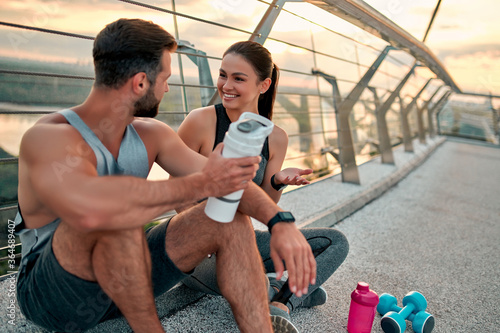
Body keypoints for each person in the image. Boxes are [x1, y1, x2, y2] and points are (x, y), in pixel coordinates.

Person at [14, 19, 318, 333]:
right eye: (165, 78)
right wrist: (202, 183)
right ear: (141, 83)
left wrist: (279, 221)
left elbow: (225, 180)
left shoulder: (151, 134)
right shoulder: (50, 138)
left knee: (227, 218)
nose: (167, 88)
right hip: (52, 297)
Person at [177, 40, 349, 332]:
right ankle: (292, 293)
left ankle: (281, 304)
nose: (226, 85)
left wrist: (277, 182)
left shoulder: (275, 138)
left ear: (264, 84)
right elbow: (178, 195)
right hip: (199, 253)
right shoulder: (201, 121)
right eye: (223, 75)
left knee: (335, 242)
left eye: (238, 78)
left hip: (243, 242)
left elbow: (264, 210)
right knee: (252, 277)